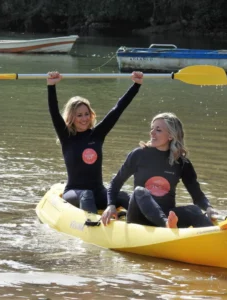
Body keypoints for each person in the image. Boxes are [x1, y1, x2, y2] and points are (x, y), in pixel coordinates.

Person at [47, 71, 143, 214]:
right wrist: (51, 86)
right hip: (74, 192)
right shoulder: (66, 136)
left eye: (86, 114)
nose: (84, 118)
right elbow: (54, 112)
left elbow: (118, 109)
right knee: (87, 195)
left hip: (99, 192)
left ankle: (146, 222)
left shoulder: (97, 135)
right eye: (79, 115)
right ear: (71, 117)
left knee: (122, 196)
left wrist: (136, 85)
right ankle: (93, 226)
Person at [101, 112, 217, 228]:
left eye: (158, 130)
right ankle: (166, 224)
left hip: (168, 214)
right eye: (152, 129)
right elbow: (116, 183)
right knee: (139, 191)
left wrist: (208, 208)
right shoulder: (139, 154)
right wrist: (110, 205)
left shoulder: (182, 163)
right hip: (138, 217)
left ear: (171, 136)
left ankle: (214, 235)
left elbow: (197, 196)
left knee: (194, 210)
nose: (152, 132)